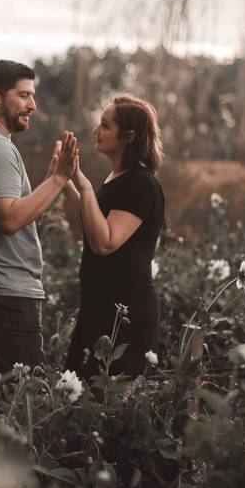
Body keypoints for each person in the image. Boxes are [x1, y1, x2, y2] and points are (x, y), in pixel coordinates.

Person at [0, 59, 77, 409]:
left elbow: (12, 209)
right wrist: (58, 180)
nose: (32, 105)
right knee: (21, 409)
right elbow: (8, 219)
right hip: (2, 297)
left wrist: (52, 181)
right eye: (23, 95)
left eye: (33, 96)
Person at [63, 94, 165, 380]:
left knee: (107, 406)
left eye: (105, 125)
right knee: (78, 401)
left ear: (128, 137)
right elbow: (94, 221)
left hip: (124, 316)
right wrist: (65, 179)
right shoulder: (118, 178)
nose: (96, 130)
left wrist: (82, 184)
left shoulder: (140, 184)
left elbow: (105, 242)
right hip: (99, 307)